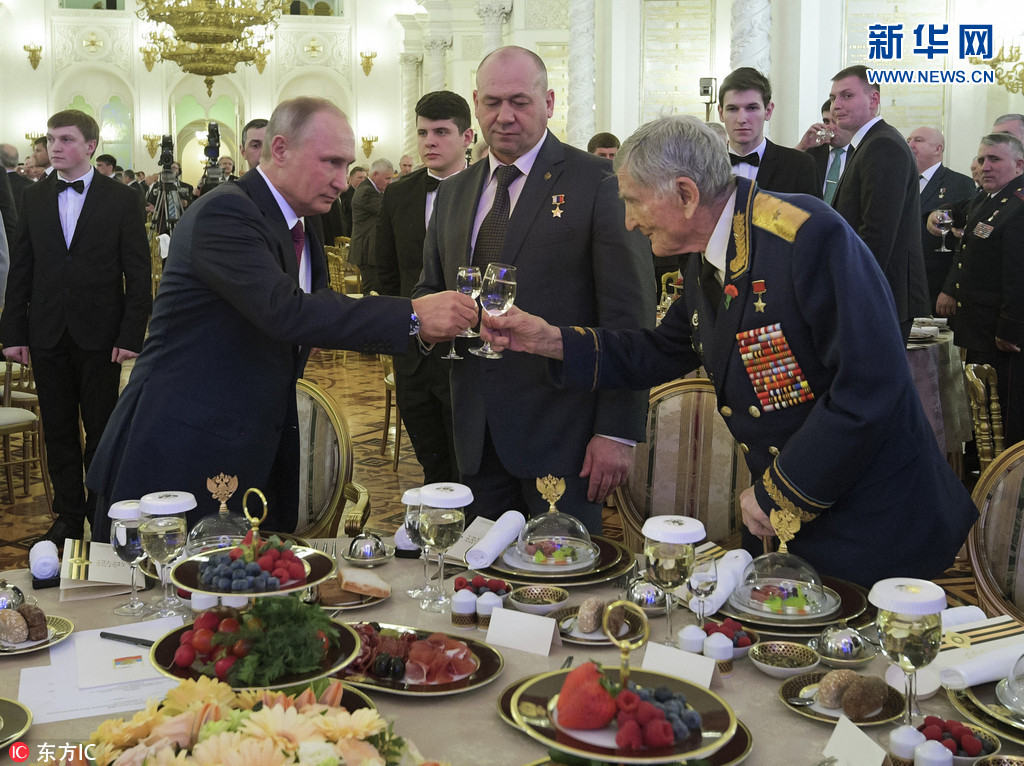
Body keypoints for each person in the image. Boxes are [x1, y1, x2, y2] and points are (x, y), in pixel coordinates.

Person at [482, 115, 977, 586]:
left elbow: (871, 386)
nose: (629, 222)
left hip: (875, 514)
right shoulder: (713, 253)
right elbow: (658, 351)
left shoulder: (806, 235)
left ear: (685, 194)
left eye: (633, 202)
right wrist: (547, 339)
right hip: (805, 512)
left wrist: (778, 492)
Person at [86, 97, 476, 537]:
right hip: (182, 443)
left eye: (345, 164)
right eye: (329, 162)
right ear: (281, 149)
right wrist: (411, 315)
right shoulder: (225, 212)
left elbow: (312, 317)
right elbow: (286, 311)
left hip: (252, 439)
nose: (341, 181)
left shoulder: (305, 222)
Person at [413, 45, 653, 533]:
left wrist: (617, 430)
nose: (505, 116)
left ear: (549, 102)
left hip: (565, 433)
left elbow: (629, 315)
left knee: (561, 582)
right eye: (494, 102)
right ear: (476, 103)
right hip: (474, 433)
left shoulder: (599, 181)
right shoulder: (454, 192)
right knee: (482, 577)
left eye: (520, 101)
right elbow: (430, 290)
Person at [0, 110, 152, 545]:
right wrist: (14, 333)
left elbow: (137, 274)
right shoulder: (33, 197)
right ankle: (68, 515)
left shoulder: (121, 199)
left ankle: (102, 516)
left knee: (102, 428)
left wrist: (130, 334)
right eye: (51, 139)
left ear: (89, 146)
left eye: (66, 139)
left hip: (102, 336)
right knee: (59, 430)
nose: (55, 147)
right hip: (46, 331)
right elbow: (21, 267)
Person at [376, 91, 474, 485]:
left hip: (470, 352)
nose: (428, 142)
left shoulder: (489, 191)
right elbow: (386, 272)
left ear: (467, 138)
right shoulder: (399, 193)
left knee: (471, 466)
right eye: (422, 133)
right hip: (414, 352)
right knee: (432, 465)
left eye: (441, 132)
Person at [933, 133, 1024, 446]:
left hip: (1001, 334)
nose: (985, 166)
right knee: (984, 408)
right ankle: (987, 472)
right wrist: (939, 215)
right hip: (979, 327)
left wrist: (1011, 328)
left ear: (1019, 164)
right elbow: (958, 217)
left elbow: (1018, 274)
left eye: (995, 159)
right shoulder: (987, 198)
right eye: (982, 159)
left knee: (1007, 415)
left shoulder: (1018, 206)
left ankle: (1009, 485)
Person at [829, 65, 929, 341]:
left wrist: (853, 295)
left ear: (873, 100)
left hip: (879, 296)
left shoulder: (882, 146)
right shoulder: (870, 144)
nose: (836, 105)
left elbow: (877, 233)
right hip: (877, 293)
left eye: (847, 96)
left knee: (874, 383)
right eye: (834, 97)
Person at [718, 67, 819, 196]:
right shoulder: (702, 166)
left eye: (752, 108)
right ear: (721, 113)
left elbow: (814, 215)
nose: (741, 119)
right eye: (732, 109)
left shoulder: (800, 166)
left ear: (768, 111)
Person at [907, 126, 977, 309]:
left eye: (918, 140)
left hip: (937, 283)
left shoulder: (960, 183)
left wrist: (951, 289)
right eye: (908, 140)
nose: (910, 144)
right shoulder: (900, 181)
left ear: (938, 149)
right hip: (903, 280)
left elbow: (964, 241)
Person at [796, 99, 853, 205]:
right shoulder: (813, 151)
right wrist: (802, 146)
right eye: (826, 121)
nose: (830, 127)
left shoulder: (860, 152)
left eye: (835, 121)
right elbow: (784, 171)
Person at [349, 158, 393, 293]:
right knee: (372, 292)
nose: (389, 182)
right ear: (375, 175)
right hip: (367, 250)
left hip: (369, 250)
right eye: (387, 178)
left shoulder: (370, 190)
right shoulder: (366, 192)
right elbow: (388, 209)